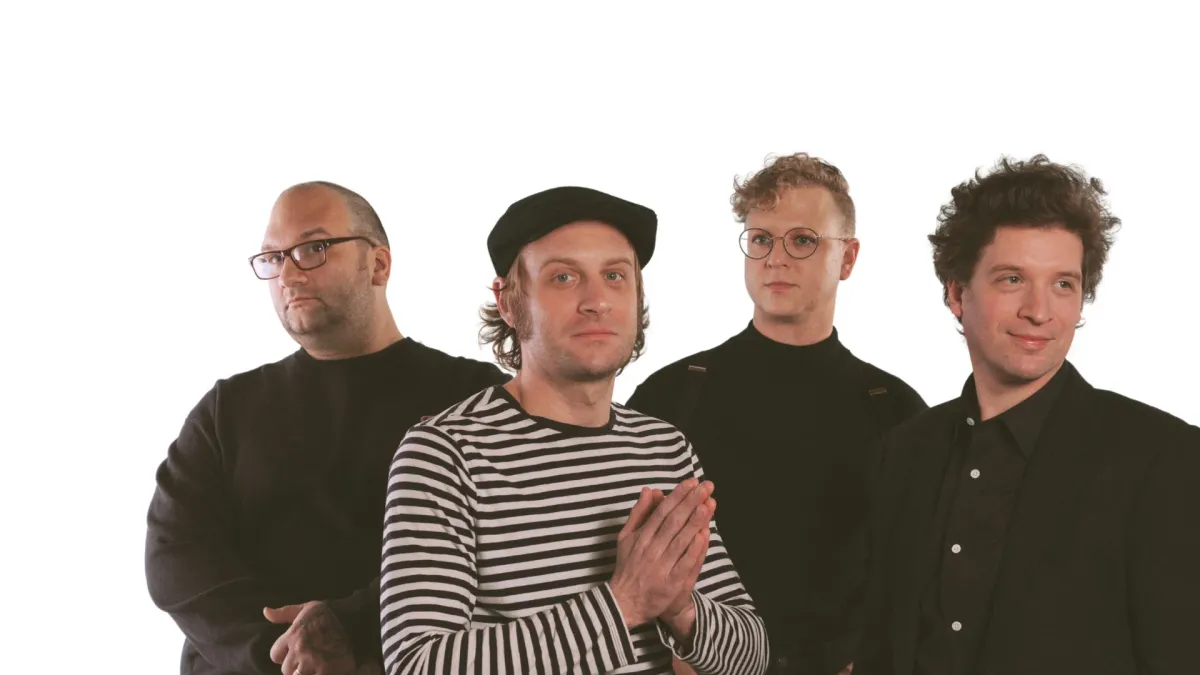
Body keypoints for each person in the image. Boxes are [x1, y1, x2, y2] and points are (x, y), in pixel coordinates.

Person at [377, 186, 771, 675]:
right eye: (563, 277)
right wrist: (624, 603)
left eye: (615, 276)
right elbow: (417, 665)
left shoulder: (664, 447)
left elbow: (751, 657)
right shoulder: (445, 453)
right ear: (508, 301)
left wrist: (681, 609)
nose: (597, 301)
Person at [144, 181, 509, 675]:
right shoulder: (227, 409)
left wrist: (349, 631)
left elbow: (507, 545)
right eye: (273, 257)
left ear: (378, 264)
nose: (288, 274)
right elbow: (175, 557)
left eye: (313, 248)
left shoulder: (476, 397)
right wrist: (288, 655)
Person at [854, 155, 1200, 675]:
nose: (1040, 311)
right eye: (1013, 278)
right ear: (957, 293)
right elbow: (880, 648)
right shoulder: (904, 451)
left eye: (1063, 284)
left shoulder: (1163, 458)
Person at [626, 153, 927, 675]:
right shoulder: (671, 394)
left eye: (803, 240)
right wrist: (673, 654)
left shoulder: (894, 408)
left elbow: (919, 571)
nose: (776, 259)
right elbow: (613, 552)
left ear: (848, 257)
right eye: (762, 239)